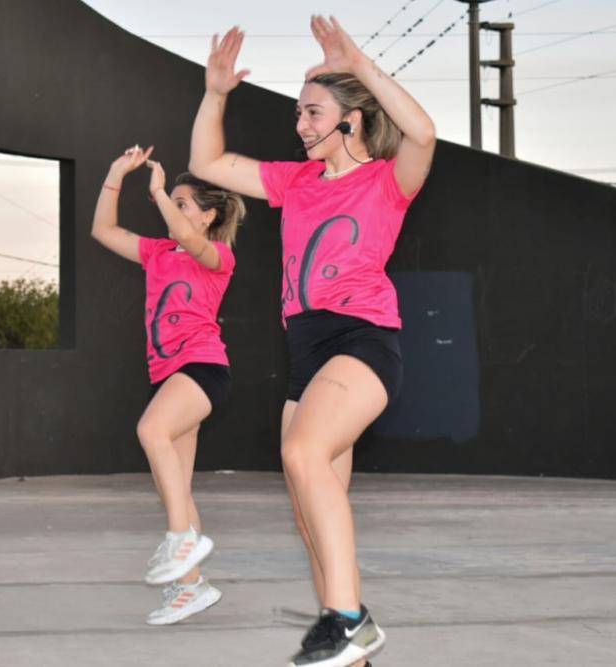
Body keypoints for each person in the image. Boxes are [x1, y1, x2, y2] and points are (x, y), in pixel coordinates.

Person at [189, 15, 436, 667]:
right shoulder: (295, 182)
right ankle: (352, 656)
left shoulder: (387, 181)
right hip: (307, 351)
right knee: (310, 515)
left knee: (302, 451)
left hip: (364, 340)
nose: (300, 125)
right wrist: (216, 93)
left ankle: (349, 620)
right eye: (298, 113)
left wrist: (358, 62)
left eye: (312, 112)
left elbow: (424, 131)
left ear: (350, 120)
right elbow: (206, 162)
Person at [90, 144, 245, 625]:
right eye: (171, 201)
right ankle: (191, 587)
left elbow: (186, 236)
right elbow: (102, 230)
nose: (173, 211)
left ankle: (181, 542)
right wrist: (116, 173)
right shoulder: (158, 253)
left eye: (183, 204)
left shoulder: (216, 254)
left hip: (202, 369)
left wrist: (158, 191)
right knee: (175, 487)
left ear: (208, 216)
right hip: (170, 375)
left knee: (151, 432)